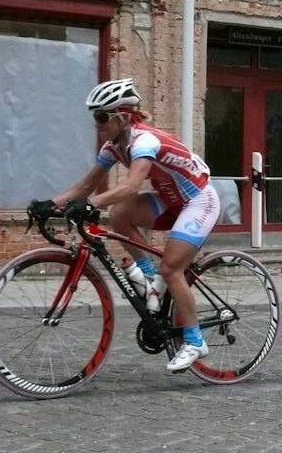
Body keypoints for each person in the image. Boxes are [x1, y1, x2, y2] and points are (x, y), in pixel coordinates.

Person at [29, 78, 221, 372]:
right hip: (171, 200)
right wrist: (49, 204)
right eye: (95, 117)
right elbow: (85, 186)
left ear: (122, 117)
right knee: (120, 215)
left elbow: (131, 186)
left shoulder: (145, 141)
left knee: (171, 268)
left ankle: (195, 341)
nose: (97, 124)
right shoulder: (113, 147)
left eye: (102, 117)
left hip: (199, 201)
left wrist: (92, 204)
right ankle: (149, 283)